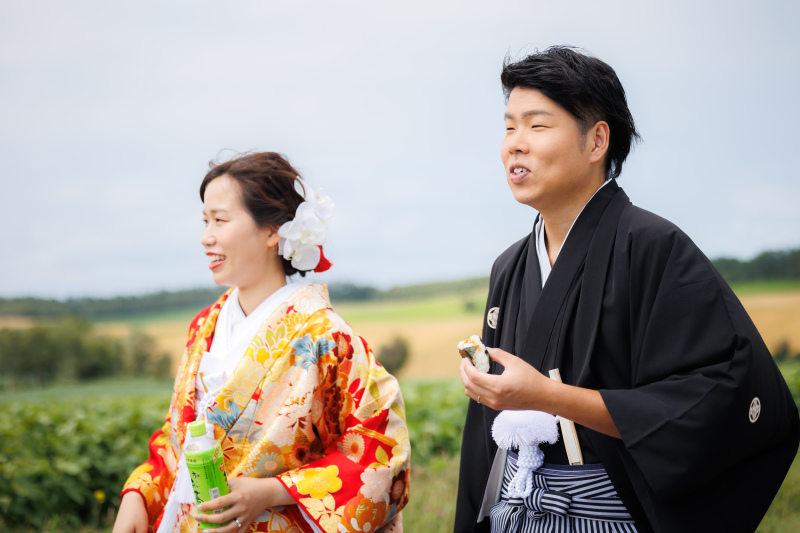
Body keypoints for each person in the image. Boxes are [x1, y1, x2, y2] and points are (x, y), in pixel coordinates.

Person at [455, 46, 799, 533]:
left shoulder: (654, 247)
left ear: (597, 141)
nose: (515, 144)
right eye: (509, 126)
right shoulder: (509, 267)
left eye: (537, 125)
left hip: (607, 516)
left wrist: (550, 396)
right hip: (515, 511)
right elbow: (481, 448)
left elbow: (716, 399)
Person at [113, 152, 409, 533]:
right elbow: (181, 440)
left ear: (273, 231)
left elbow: (380, 450)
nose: (206, 237)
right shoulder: (204, 326)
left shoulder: (327, 337)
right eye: (205, 221)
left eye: (220, 220)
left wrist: (270, 492)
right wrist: (140, 494)